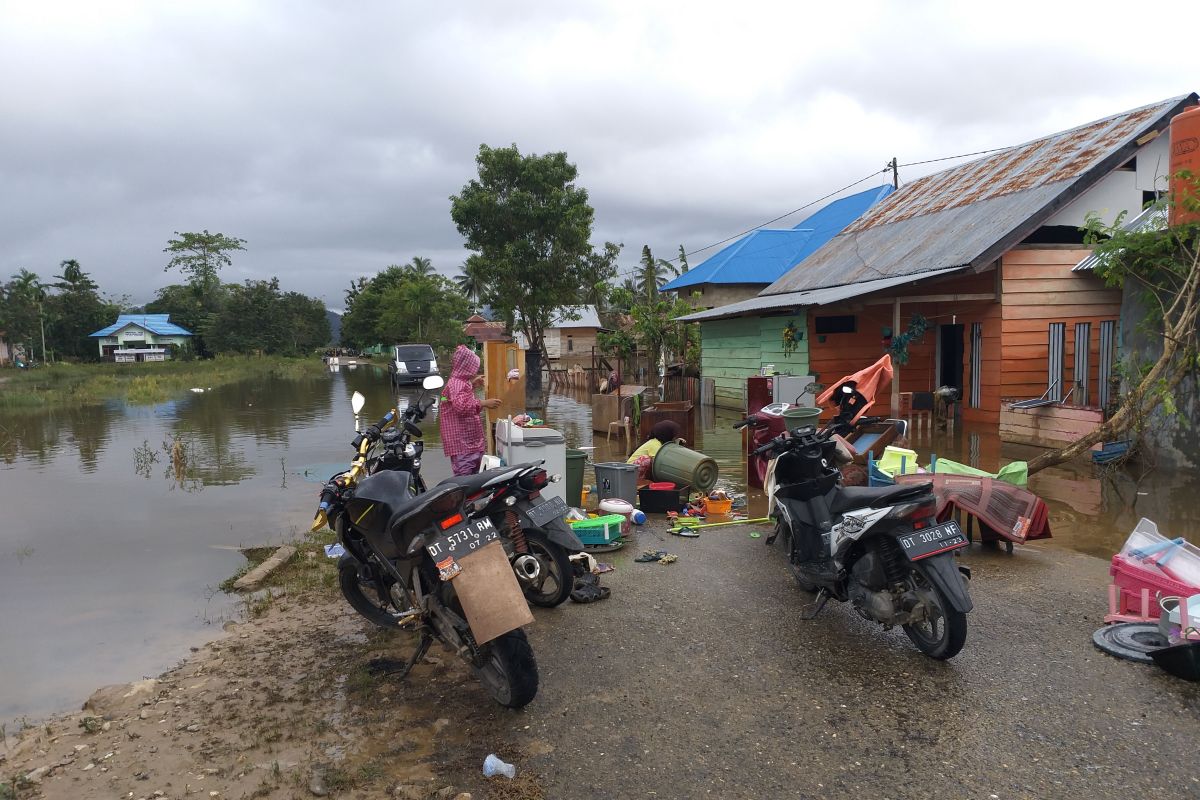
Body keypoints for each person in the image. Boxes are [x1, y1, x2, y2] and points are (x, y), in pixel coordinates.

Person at [439, 345, 501, 476]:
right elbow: (461, 407)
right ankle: (466, 497)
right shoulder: (457, 384)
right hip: (462, 443)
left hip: (469, 440)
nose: (475, 371)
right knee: (465, 478)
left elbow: (453, 399)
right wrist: (484, 403)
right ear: (466, 367)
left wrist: (472, 384)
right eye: (474, 368)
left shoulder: (461, 382)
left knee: (476, 474)